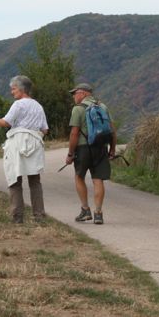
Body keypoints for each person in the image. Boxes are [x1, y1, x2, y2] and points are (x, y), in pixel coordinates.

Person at [0, 75, 48, 223]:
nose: (12, 92)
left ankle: (17, 216)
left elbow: (6, 122)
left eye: (13, 89)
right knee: (35, 180)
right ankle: (39, 215)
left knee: (14, 179)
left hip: (17, 142)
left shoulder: (18, 105)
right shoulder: (38, 106)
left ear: (21, 89)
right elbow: (45, 130)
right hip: (35, 142)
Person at [65, 82, 116, 225]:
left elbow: (74, 133)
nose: (74, 96)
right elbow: (112, 131)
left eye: (75, 93)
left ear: (84, 93)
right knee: (98, 179)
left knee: (79, 176)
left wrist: (70, 154)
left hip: (83, 148)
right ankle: (98, 213)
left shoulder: (78, 109)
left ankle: (85, 210)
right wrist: (112, 149)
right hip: (100, 147)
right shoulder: (103, 107)